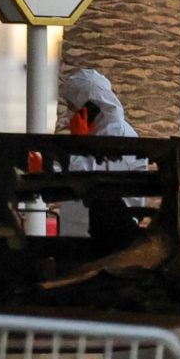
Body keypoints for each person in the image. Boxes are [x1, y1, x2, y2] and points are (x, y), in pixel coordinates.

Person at [57, 69, 147, 237]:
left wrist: (79, 142)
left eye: (73, 107)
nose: (70, 114)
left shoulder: (119, 135)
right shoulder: (95, 133)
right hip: (78, 234)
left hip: (106, 238)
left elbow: (89, 179)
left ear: (89, 107)